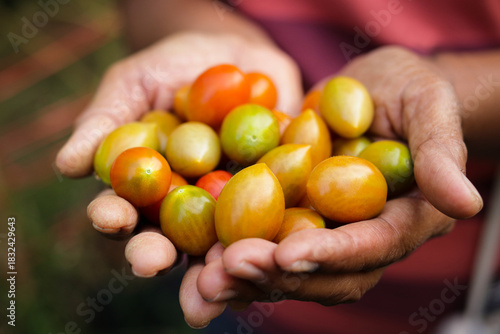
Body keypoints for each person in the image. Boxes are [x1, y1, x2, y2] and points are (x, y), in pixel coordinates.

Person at [56, 0, 500, 332]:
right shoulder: (243, 159)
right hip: (242, 293)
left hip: (450, 288)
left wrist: (446, 92)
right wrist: (192, 27)